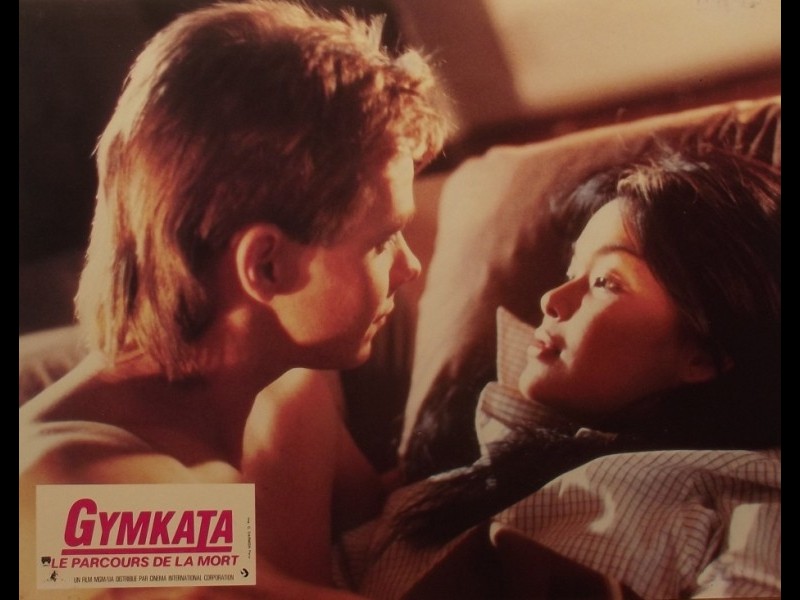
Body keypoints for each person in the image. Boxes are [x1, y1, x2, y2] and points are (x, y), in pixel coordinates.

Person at [19, 1, 449, 598]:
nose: (409, 265)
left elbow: (387, 526)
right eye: (380, 242)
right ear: (265, 266)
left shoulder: (291, 385)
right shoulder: (70, 489)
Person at [338, 148, 781, 599]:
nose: (551, 299)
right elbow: (303, 570)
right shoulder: (461, 474)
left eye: (605, 281)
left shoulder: (750, 498)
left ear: (702, 356)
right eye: (572, 271)